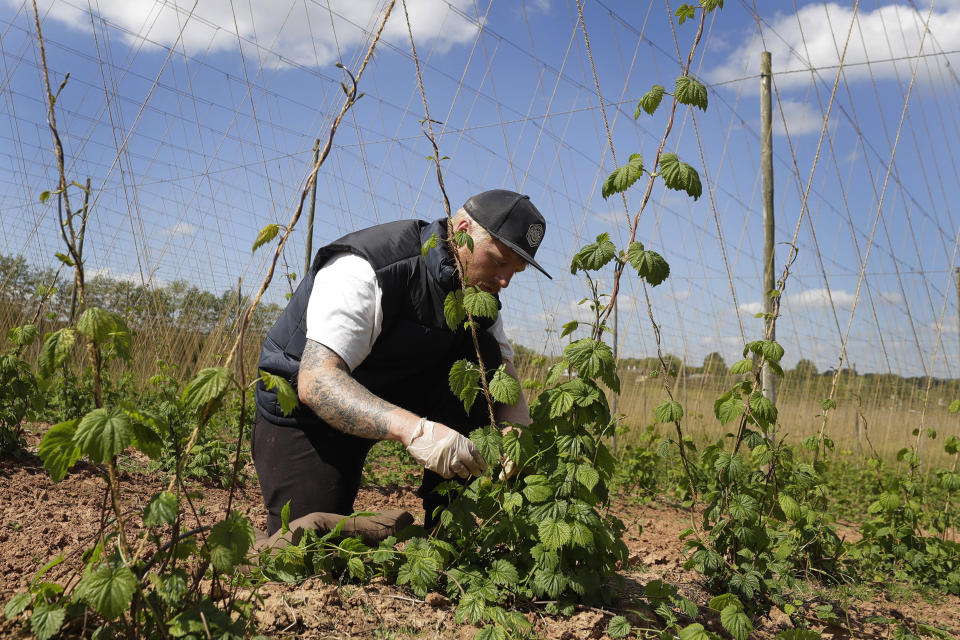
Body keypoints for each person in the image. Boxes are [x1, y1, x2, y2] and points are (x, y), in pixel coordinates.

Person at [252, 189, 550, 535]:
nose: (504, 281)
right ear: (464, 228)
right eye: (499, 261)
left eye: (516, 270)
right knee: (310, 542)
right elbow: (316, 381)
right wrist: (416, 430)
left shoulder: (478, 292)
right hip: (308, 410)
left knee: (480, 350)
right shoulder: (370, 269)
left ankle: (449, 532)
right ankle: (379, 529)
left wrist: (515, 429)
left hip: (390, 391)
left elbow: (503, 369)